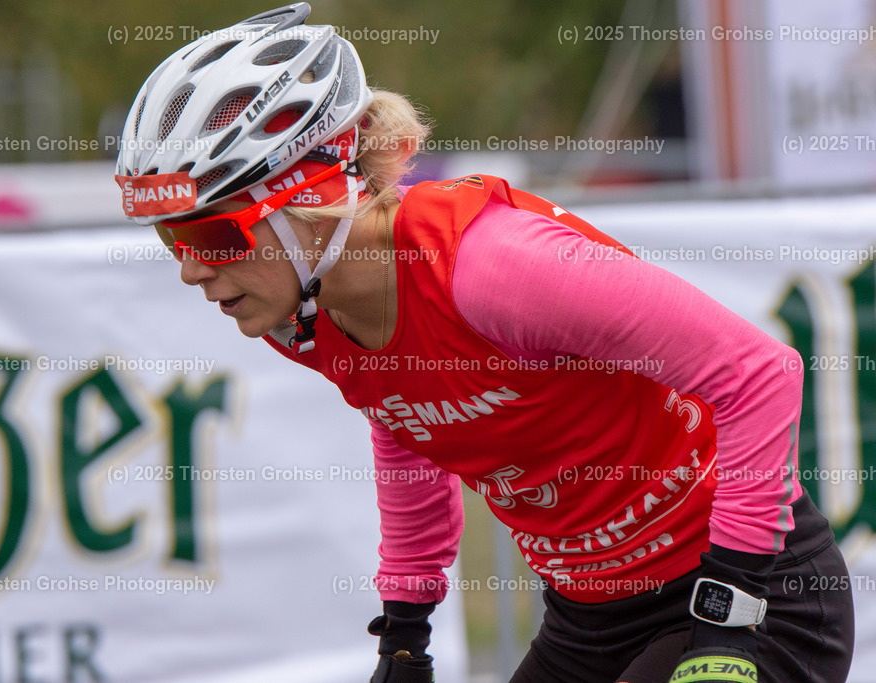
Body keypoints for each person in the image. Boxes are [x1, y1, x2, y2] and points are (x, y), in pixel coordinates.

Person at [114, 4, 855, 682]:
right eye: (170, 236)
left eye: (211, 232)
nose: (189, 268)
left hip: (749, 596)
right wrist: (405, 631)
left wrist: (730, 605)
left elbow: (760, 372)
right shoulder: (301, 310)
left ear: (309, 200)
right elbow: (405, 424)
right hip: (588, 618)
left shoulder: (493, 266)